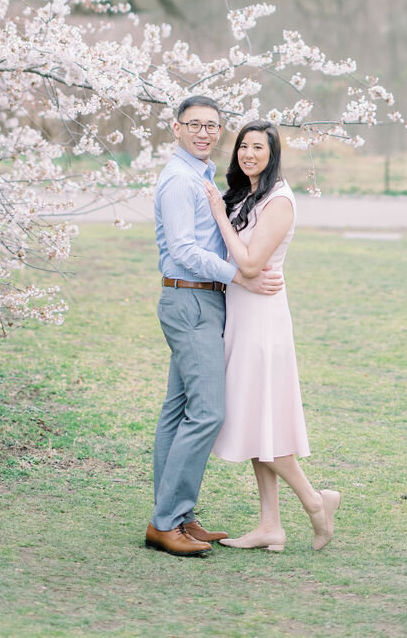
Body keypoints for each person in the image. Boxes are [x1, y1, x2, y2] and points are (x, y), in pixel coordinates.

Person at [147, 95, 285, 558]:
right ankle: (165, 523)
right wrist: (240, 273)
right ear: (176, 128)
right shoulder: (178, 182)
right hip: (190, 298)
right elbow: (184, 249)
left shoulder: (202, 177)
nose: (205, 132)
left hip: (203, 299)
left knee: (179, 408)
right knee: (207, 411)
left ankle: (178, 515)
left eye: (212, 125)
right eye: (195, 124)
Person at [203, 121, 341, 553]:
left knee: (261, 421)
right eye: (243, 146)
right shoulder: (247, 195)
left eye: (257, 147)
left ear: (272, 152)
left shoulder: (278, 201)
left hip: (262, 321)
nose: (248, 154)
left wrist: (219, 217)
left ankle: (316, 503)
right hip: (241, 317)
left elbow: (247, 264)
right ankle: (270, 526)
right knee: (256, 421)